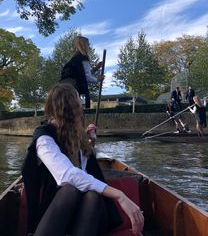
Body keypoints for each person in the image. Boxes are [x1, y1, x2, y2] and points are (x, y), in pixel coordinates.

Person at [22, 83, 144, 236]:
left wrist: (89, 144)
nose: (81, 110)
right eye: (78, 105)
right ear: (70, 110)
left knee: (92, 195)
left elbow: (83, 170)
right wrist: (119, 195)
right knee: (69, 189)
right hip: (56, 212)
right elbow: (68, 175)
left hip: (83, 214)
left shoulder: (76, 136)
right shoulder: (43, 137)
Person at [60, 36, 104, 108]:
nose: (89, 47)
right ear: (84, 46)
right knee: (76, 110)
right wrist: (98, 79)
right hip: (73, 88)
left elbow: (82, 74)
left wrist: (96, 68)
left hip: (63, 87)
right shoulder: (83, 58)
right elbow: (87, 77)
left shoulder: (74, 59)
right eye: (88, 45)